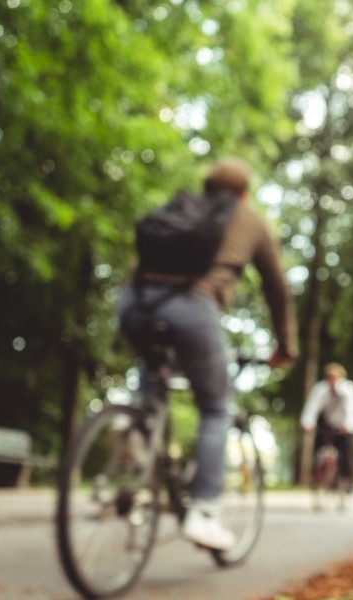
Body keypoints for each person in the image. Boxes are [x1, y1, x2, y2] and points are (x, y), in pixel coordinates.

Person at [117, 157, 296, 550]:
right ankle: (205, 512)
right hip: (192, 307)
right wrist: (285, 346)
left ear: (207, 187)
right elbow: (277, 288)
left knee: (155, 368)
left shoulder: (182, 207)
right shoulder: (250, 219)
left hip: (135, 301)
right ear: (244, 193)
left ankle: (136, 425)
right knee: (216, 408)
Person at [300, 362, 353, 494]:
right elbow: (311, 408)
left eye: (335, 378)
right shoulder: (320, 389)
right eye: (330, 378)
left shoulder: (349, 389)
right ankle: (317, 474)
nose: (332, 381)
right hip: (327, 423)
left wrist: (349, 426)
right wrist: (308, 423)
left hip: (344, 425)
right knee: (318, 446)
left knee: (346, 451)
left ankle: (348, 478)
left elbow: (352, 409)